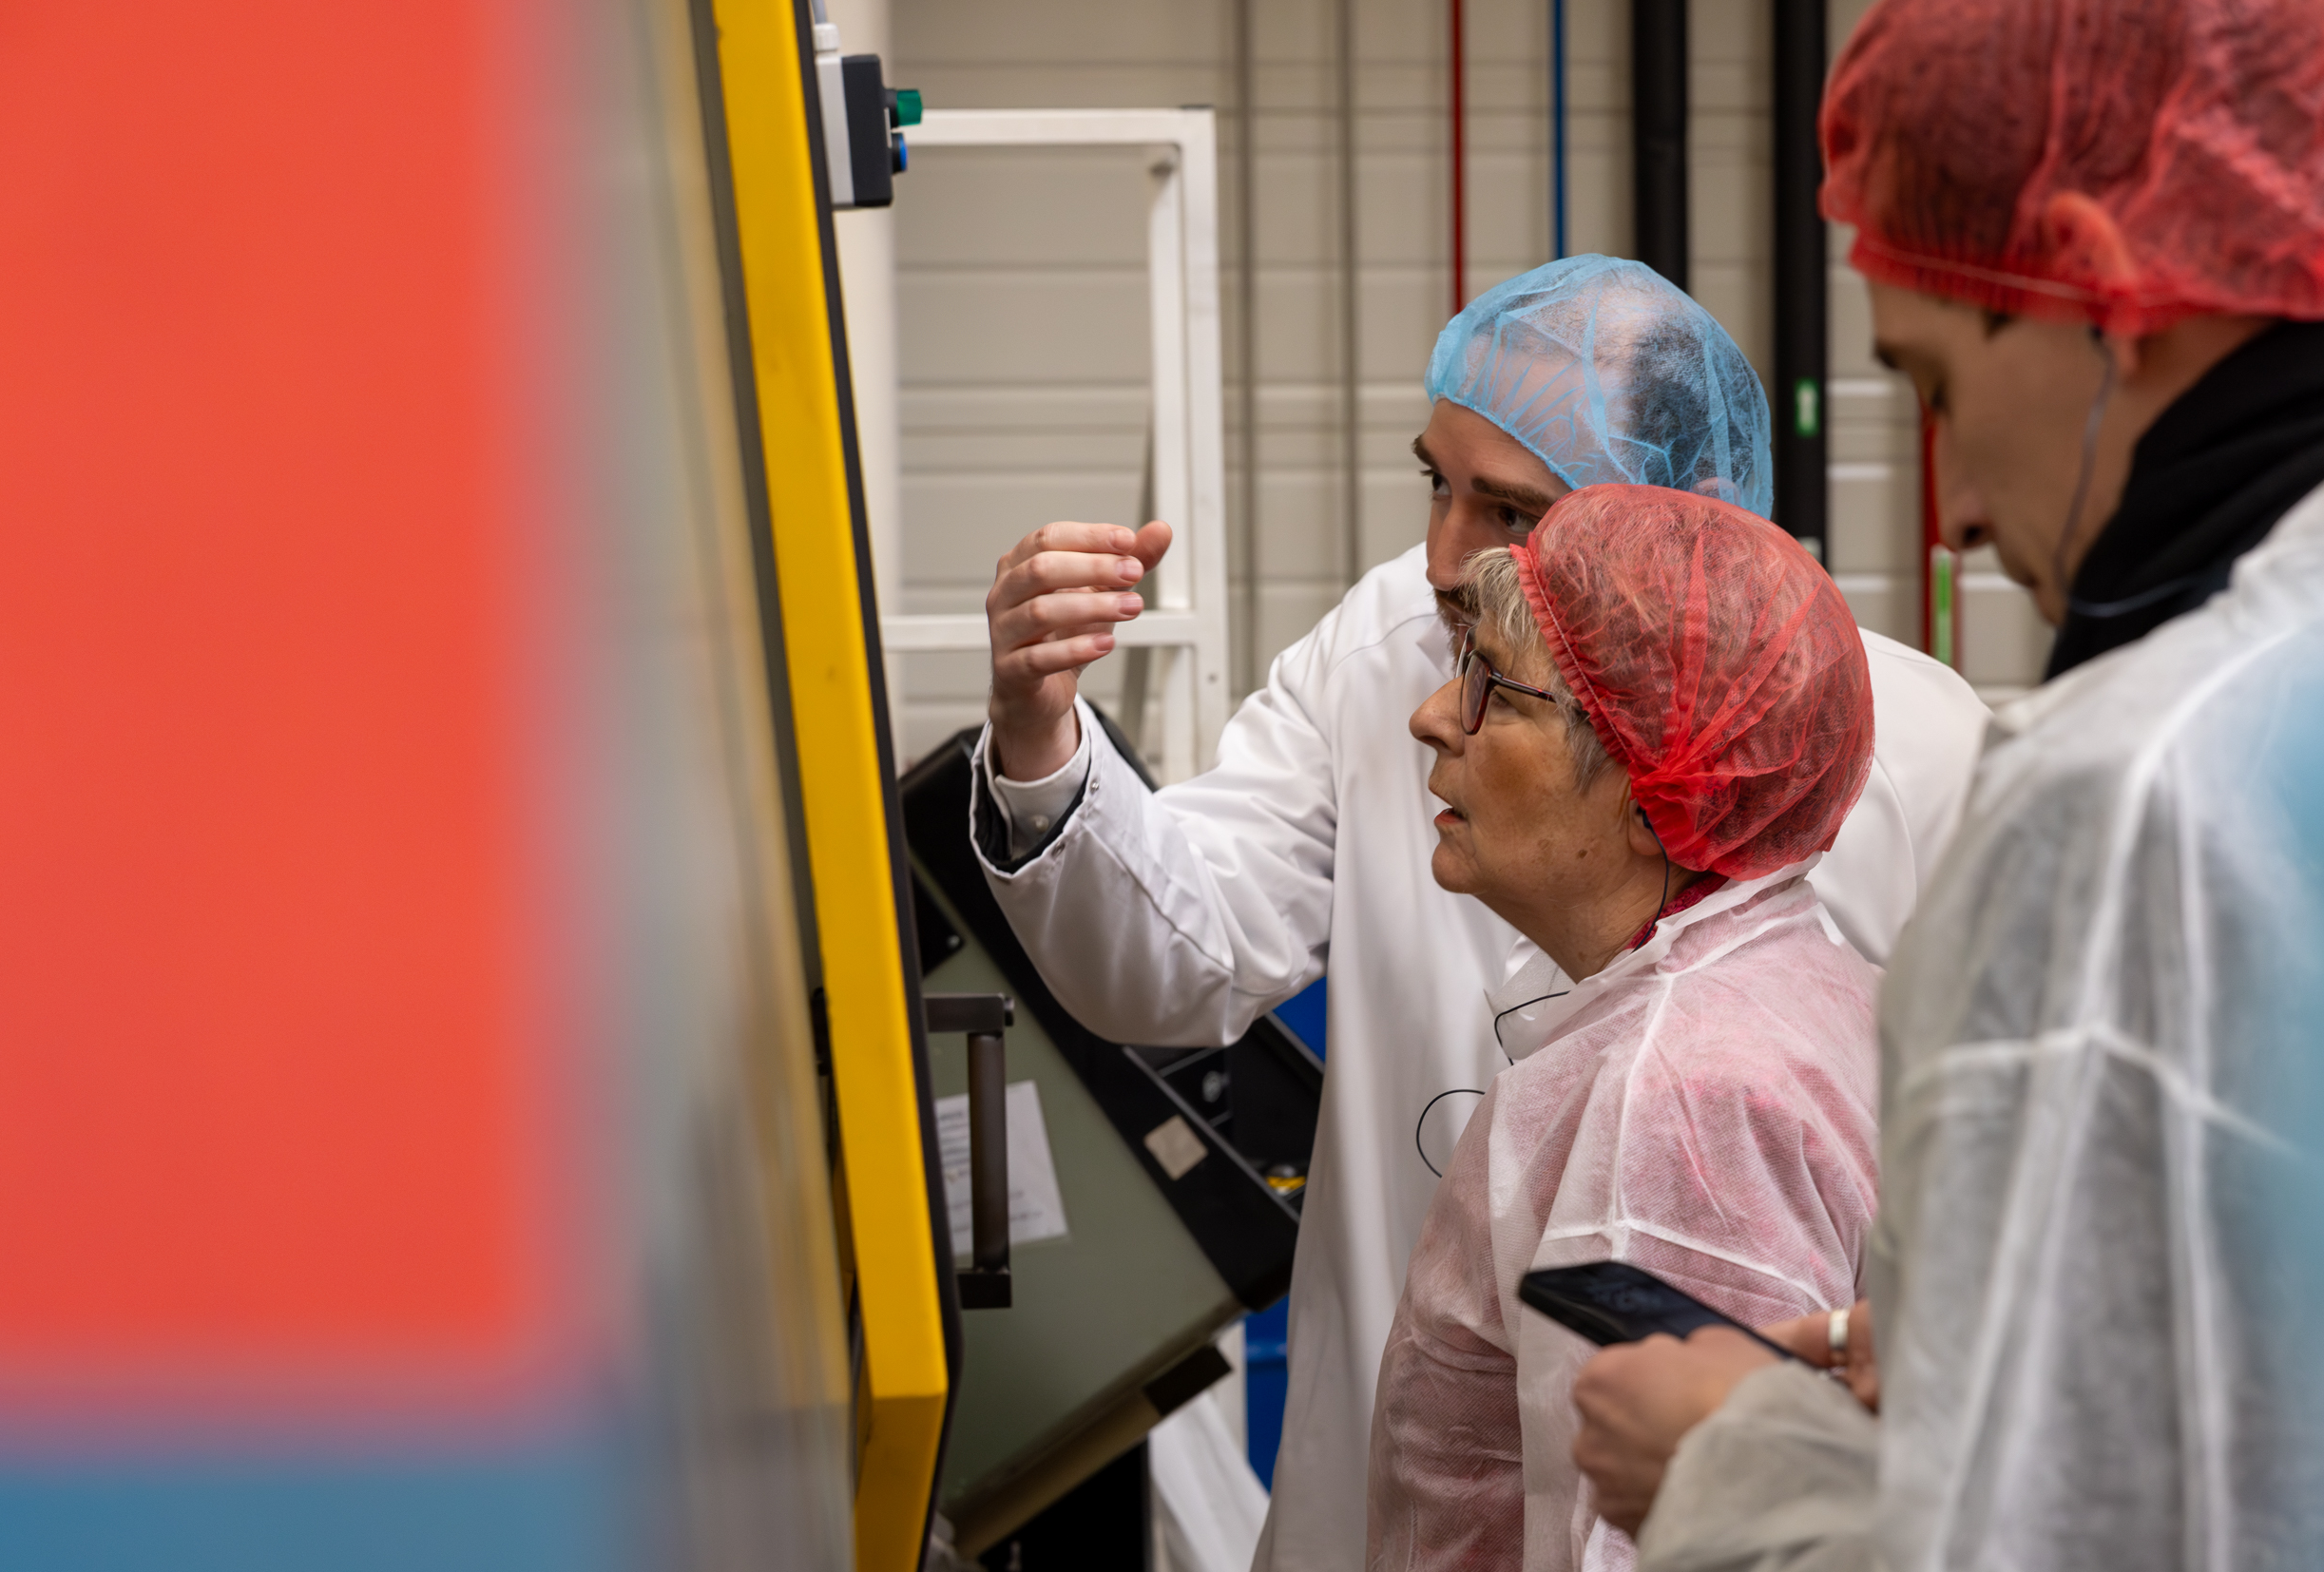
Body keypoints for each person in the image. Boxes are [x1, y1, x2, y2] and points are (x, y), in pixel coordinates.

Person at [973, 258, 1989, 1571]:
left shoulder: (1905, 751)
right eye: (1435, 484)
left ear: (1675, 523)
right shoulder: (1384, 644)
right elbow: (1178, 948)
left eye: (1510, 505)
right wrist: (1039, 731)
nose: (1446, 561)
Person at [1564, 4, 2324, 1568]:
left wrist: (1738, 1455)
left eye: (1934, 384)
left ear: (2102, 283)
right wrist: (1948, 1333)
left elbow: (2034, 1538)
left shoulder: (2133, 798)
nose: (1957, 505)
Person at [1367, 491, 1884, 1572]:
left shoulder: (1685, 1098)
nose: (1429, 715)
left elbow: (1670, 1544)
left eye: (1487, 686)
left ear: (1654, 790)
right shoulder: (1802, 979)